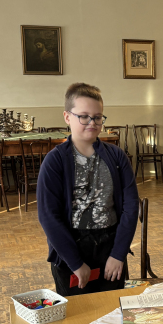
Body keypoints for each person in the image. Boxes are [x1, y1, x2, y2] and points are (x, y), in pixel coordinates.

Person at [37, 83, 139, 296]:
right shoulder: (55, 160)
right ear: (67, 117)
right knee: (78, 312)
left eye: (98, 117)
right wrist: (75, 262)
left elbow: (130, 208)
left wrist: (118, 254)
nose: (92, 123)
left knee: (114, 307)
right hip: (70, 251)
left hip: (111, 250)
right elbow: (48, 216)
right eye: (84, 116)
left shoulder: (116, 156)